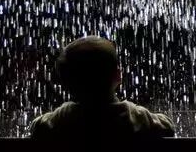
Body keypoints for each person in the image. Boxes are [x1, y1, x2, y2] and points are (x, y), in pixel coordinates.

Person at [28, 36, 175, 139]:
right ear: (118, 76)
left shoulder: (63, 118)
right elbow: (167, 127)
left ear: (66, 84)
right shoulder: (134, 116)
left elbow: (37, 127)